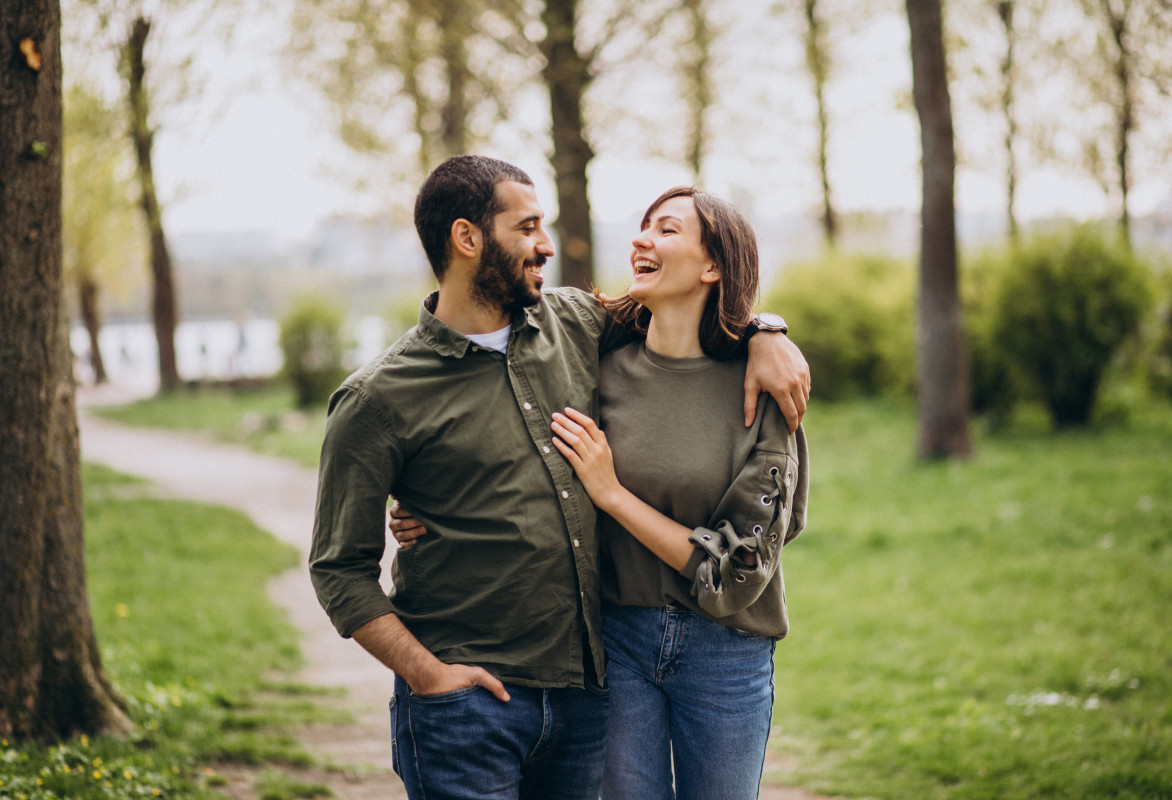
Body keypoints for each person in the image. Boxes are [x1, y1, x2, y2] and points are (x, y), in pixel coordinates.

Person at [311, 155, 809, 800]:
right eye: (528, 228)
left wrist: (766, 331)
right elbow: (338, 568)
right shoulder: (378, 398)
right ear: (468, 239)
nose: (547, 245)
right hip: (477, 701)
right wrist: (427, 674)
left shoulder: (572, 323)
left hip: (587, 695)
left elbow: (690, 316)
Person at [547, 186, 809, 799]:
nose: (641, 239)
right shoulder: (598, 372)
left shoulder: (761, 387)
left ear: (713, 265)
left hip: (728, 652)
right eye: (642, 228)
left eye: (666, 230)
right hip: (619, 641)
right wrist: (428, 510)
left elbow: (739, 569)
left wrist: (613, 495)